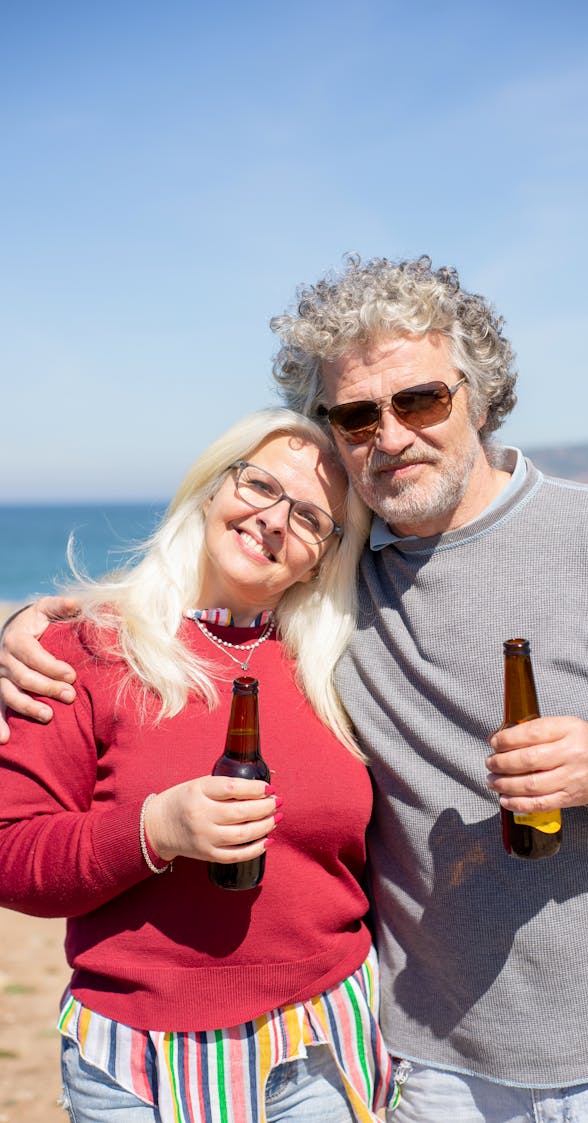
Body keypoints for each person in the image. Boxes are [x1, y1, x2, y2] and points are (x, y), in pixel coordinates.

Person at [3, 256, 588, 1122]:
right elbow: (199, 608)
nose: (389, 435)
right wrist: (33, 625)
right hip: (434, 1065)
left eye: (421, 399)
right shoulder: (344, 588)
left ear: (480, 392)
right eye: (356, 415)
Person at [0, 407, 398, 1123]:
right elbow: (11, 852)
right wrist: (155, 829)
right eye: (260, 485)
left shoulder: (345, 666)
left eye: (311, 517)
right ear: (214, 487)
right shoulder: (79, 651)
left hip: (314, 1050)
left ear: (326, 554)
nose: (276, 520)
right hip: (132, 1062)